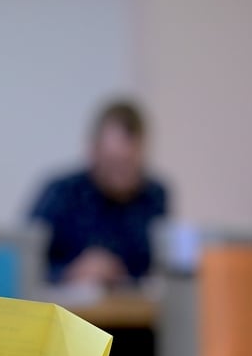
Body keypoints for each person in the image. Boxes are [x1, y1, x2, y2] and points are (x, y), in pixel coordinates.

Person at [29, 100, 169, 285]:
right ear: (93, 151)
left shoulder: (154, 196)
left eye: (129, 164)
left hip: (133, 311)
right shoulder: (61, 193)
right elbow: (24, 264)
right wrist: (70, 273)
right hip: (67, 309)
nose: (121, 174)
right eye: (113, 163)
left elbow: (158, 269)